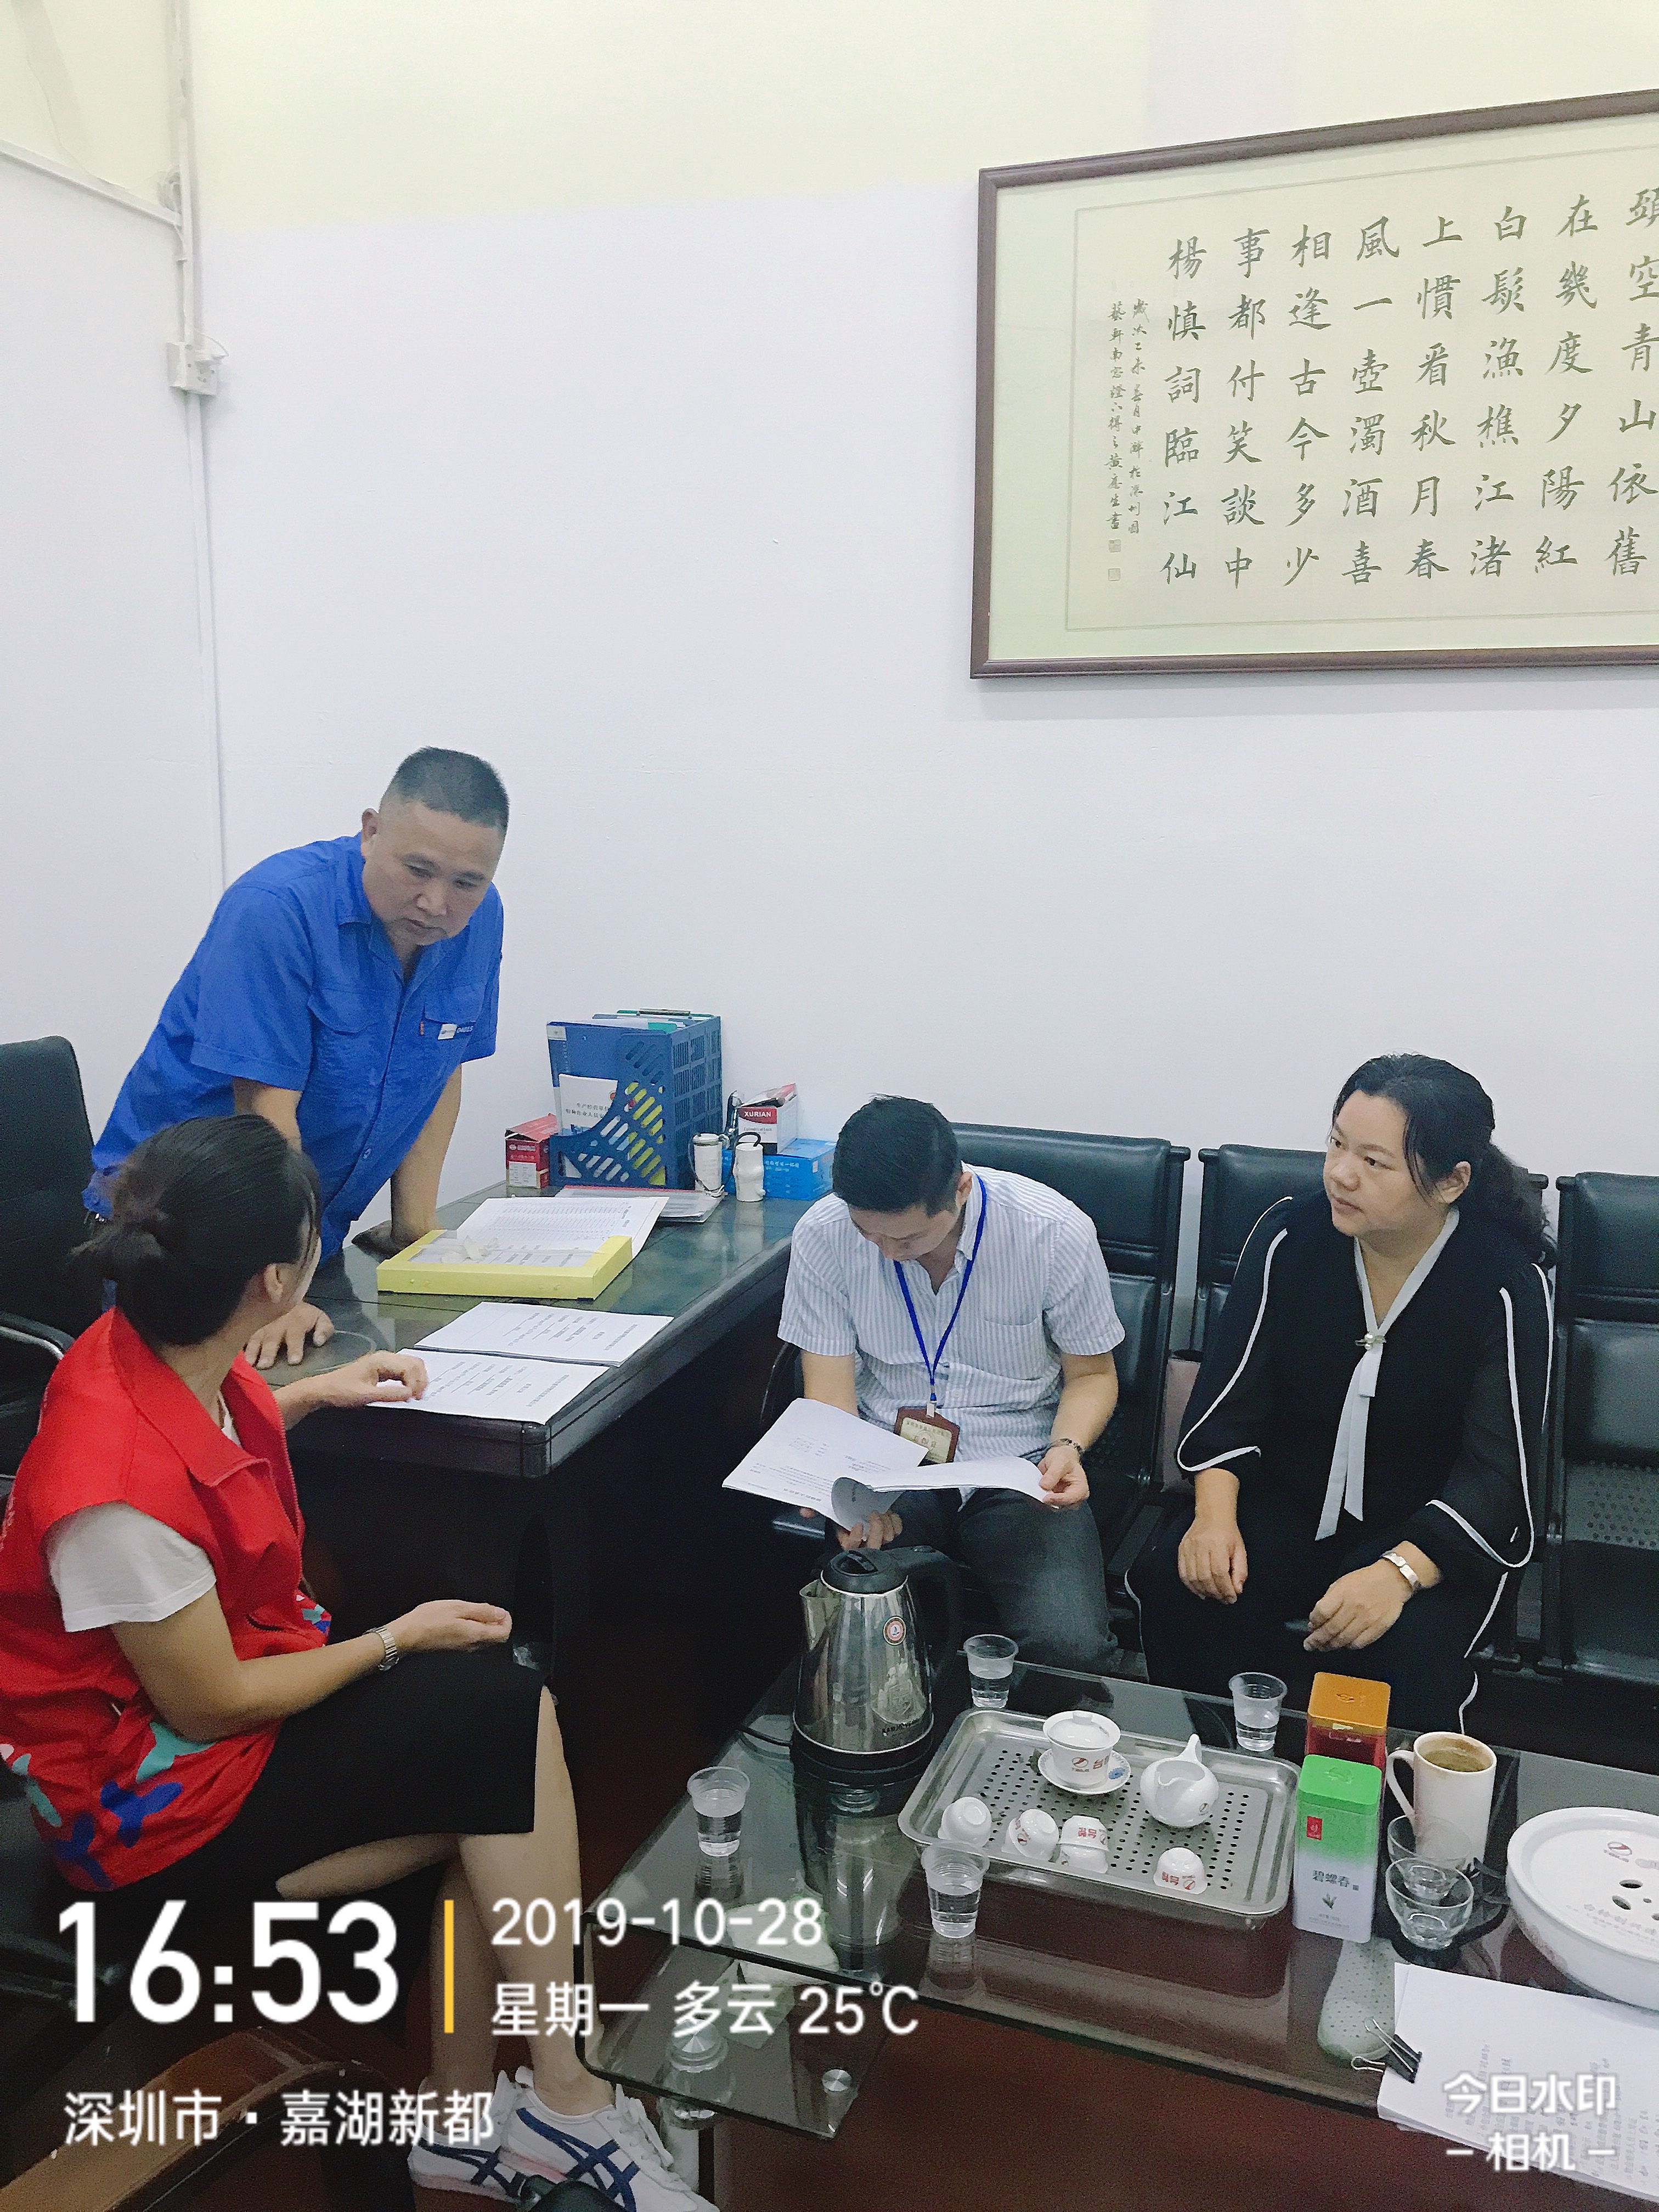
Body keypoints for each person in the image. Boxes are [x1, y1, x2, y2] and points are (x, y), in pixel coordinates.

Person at [0, 1116, 711, 2210]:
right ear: (273, 1281)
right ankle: (556, 2101)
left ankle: (475, 2116)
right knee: (507, 1746)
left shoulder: (147, 1344)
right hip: (146, 1808)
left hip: (194, 1717)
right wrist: (395, 1638)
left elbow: (191, 1449)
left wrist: (306, 1396)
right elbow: (213, 1699)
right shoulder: (114, 1499)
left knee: (503, 1736)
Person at [1132, 1055, 1549, 1734]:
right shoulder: (1291, 1236)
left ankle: (1380, 1795)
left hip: (1426, 1529)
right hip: (1288, 1498)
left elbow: (1497, 1473)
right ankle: (1220, 1764)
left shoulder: (1504, 1282)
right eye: (1336, 1144)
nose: (1341, 1174)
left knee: (1402, 1642)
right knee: (1184, 1584)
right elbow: (1229, 1398)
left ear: (1451, 1181)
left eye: (1374, 1162)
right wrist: (1213, 1518)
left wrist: (1399, 1573)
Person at [86, 748, 509, 1372]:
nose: (435, 902)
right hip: (178, 1246)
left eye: (466, 883)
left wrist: (415, 1233)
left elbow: (439, 1069)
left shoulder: (479, 922)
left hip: (300, 1245)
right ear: (371, 832)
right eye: (417, 869)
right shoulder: (277, 908)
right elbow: (264, 1119)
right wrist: (276, 1288)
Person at [779, 1096, 1125, 1672]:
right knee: (855, 1618)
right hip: (889, 1461)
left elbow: (1093, 1374)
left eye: (908, 1239)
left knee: (1070, 1648)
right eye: (870, 1234)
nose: (888, 1253)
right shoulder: (825, 1233)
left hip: (1021, 1466)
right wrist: (848, 1497)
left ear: (961, 1190)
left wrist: (1068, 1447)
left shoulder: (1053, 1233)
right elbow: (830, 1393)